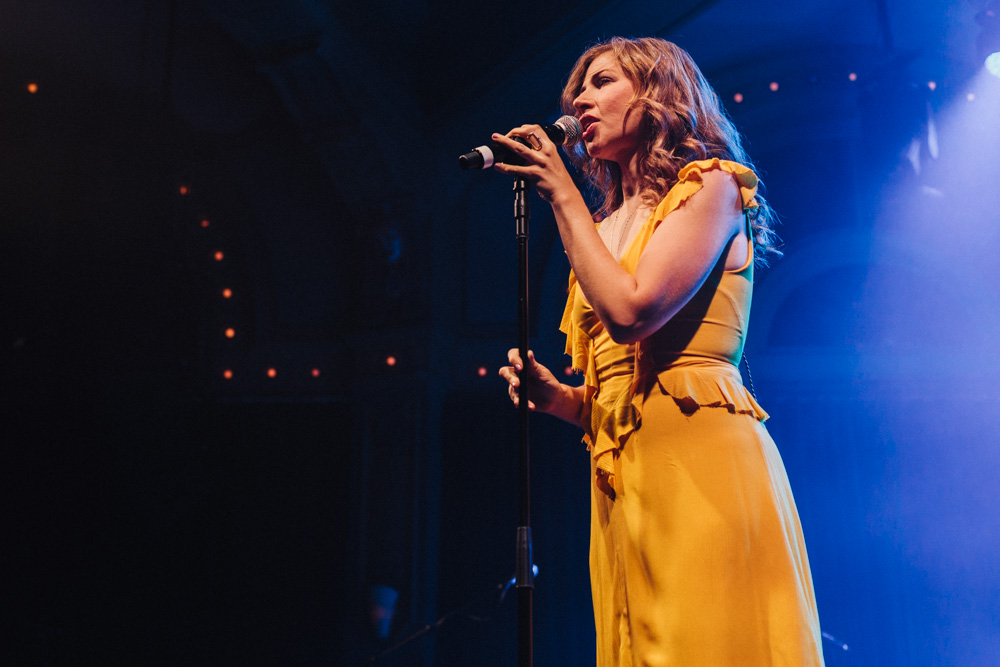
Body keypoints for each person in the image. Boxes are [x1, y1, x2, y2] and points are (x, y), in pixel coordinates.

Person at [496, 37, 824, 666]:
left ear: (657, 95)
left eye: (601, 83)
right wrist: (560, 399)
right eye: (577, 92)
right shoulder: (601, 225)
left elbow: (632, 312)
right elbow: (610, 388)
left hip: (700, 451)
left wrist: (561, 194)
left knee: (704, 641)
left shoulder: (712, 188)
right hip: (623, 473)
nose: (580, 102)